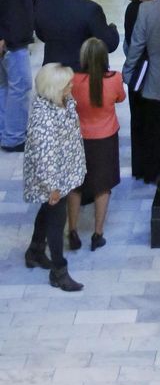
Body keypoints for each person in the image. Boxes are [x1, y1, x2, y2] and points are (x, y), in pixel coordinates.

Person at [22, 62, 85, 292]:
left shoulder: (61, 103)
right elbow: (45, 158)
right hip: (53, 180)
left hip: (64, 173)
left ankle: (35, 251)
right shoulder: (44, 121)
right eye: (68, 83)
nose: (72, 86)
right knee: (57, 223)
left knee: (47, 212)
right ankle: (59, 270)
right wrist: (53, 188)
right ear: (55, 88)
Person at [67, 36, 125, 251]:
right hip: (105, 137)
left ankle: (72, 230)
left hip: (78, 137)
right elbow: (120, 98)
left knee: (76, 185)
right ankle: (97, 233)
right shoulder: (114, 79)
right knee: (103, 185)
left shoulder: (72, 80)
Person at [0, 0, 38, 152]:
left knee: (6, 86)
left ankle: (6, 132)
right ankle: (14, 137)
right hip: (10, 38)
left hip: (16, 34)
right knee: (21, 85)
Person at [35, 0, 119, 70]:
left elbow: (40, 34)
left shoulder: (42, 3)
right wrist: (113, 29)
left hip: (51, 74)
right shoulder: (91, 9)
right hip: (80, 75)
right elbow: (108, 44)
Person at [121, 0, 160, 183]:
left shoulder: (146, 11)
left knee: (153, 128)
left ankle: (152, 172)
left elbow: (135, 47)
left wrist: (128, 73)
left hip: (153, 80)